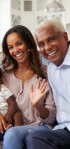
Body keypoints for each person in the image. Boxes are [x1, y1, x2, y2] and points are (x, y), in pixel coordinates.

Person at [0, 25, 56, 149]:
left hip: (37, 126)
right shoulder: (3, 73)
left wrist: (37, 105)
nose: (15, 50)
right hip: (8, 124)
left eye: (19, 44)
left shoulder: (45, 74)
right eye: (10, 47)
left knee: (12, 133)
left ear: (29, 44)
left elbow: (51, 118)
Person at [26, 19, 70, 149]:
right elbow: (50, 118)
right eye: (41, 44)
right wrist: (37, 105)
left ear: (65, 37)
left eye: (51, 40)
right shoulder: (50, 67)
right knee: (34, 138)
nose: (47, 47)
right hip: (64, 130)